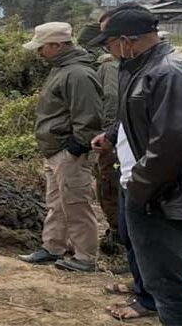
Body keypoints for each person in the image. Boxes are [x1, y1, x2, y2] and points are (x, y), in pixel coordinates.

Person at [91, 6, 182, 324]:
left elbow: (172, 145)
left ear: (127, 40)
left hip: (159, 193)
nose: (107, 50)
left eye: (108, 43)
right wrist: (113, 136)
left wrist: (140, 187)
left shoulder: (170, 73)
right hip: (145, 185)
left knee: (168, 285)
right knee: (158, 278)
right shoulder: (142, 67)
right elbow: (138, 119)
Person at [19, 22, 102, 272]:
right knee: (56, 203)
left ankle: (85, 257)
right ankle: (53, 246)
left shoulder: (78, 74)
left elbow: (90, 114)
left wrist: (76, 146)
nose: (39, 52)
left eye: (42, 47)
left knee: (76, 203)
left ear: (56, 45)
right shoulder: (61, 69)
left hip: (69, 151)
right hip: (56, 150)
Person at [77, 23, 120, 256]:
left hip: (114, 139)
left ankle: (119, 237)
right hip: (119, 135)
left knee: (109, 185)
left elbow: (112, 98)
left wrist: (108, 134)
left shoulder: (108, 65)